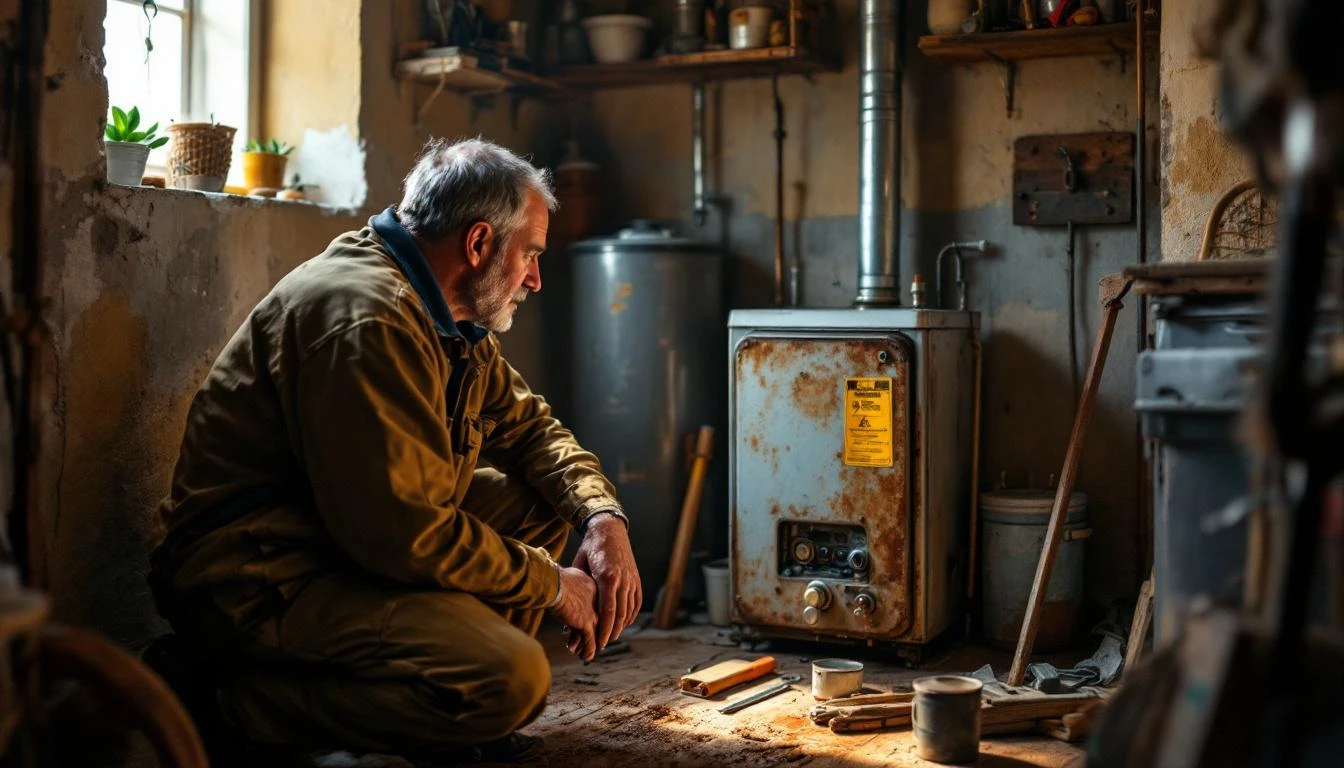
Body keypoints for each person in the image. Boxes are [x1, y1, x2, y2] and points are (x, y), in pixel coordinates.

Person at [147, 137, 640, 765]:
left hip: (337, 538)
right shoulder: (368, 319)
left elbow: (530, 428)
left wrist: (602, 518)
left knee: (540, 500)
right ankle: (225, 699)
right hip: (262, 575)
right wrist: (550, 583)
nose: (536, 279)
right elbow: (405, 533)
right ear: (479, 244)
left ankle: (457, 718)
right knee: (510, 679)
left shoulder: (446, 312)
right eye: (531, 256)